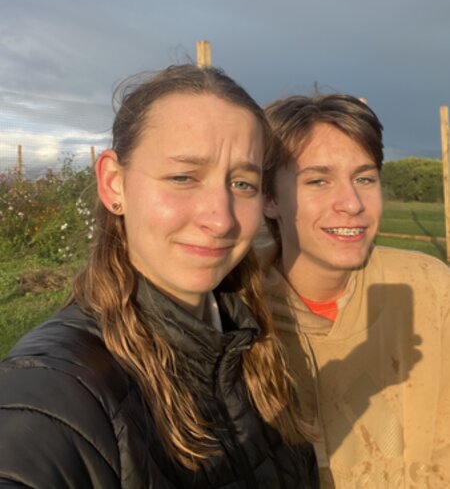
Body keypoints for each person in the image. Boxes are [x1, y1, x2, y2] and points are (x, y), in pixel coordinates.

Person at [0, 65, 318, 489]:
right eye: (183, 177)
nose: (221, 219)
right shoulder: (56, 387)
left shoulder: (252, 341)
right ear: (114, 183)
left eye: (243, 184)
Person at [258, 92, 450, 488]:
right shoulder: (236, 316)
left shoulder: (430, 289)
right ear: (269, 199)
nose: (352, 203)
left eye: (364, 178)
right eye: (318, 180)